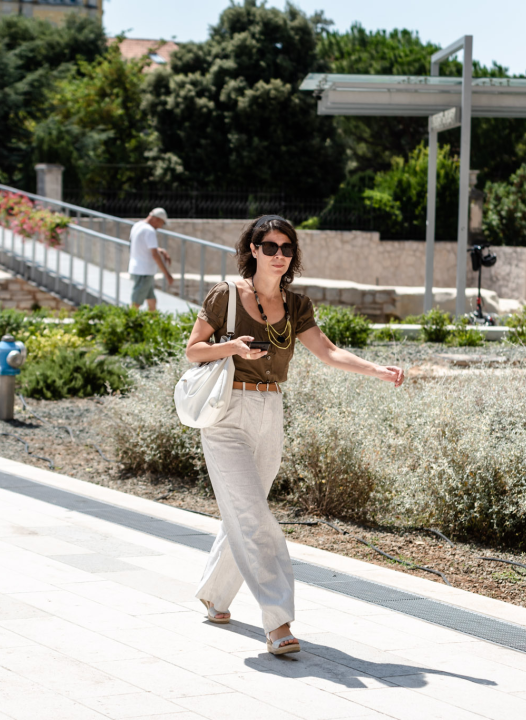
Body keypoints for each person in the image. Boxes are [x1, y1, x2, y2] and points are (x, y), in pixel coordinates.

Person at [184, 215, 405, 655]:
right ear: (253, 250)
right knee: (252, 516)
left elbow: (327, 350)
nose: (279, 255)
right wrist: (233, 346)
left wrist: (375, 370)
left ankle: (214, 594)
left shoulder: (297, 305)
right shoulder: (225, 296)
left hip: (270, 409)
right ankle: (278, 620)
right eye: (270, 247)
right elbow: (193, 350)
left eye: (286, 248)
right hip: (227, 411)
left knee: (247, 509)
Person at [128, 207, 173, 311]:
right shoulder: (150, 231)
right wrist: (167, 274)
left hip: (138, 269)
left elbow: (141, 245)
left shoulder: (137, 225)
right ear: (157, 219)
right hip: (144, 272)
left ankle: (154, 322)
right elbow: (154, 255)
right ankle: (126, 324)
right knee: (136, 303)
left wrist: (159, 250)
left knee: (152, 300)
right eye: (162, 223)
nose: (161, 226)